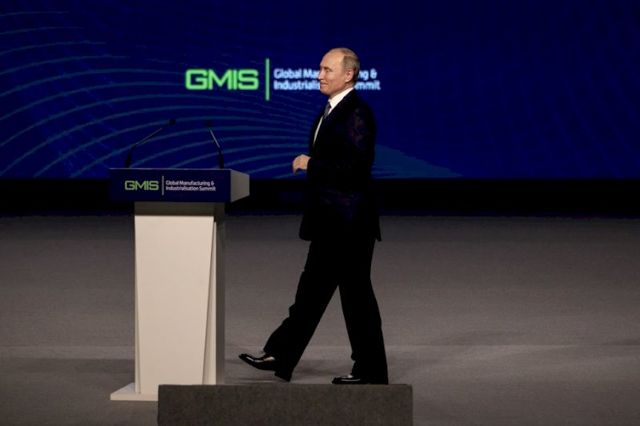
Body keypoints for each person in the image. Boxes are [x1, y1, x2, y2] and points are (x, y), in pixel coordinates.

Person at [239, 47, 388, 385]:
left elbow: (357, 168)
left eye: (326, 70)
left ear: (348, 75)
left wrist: (312, 164)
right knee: (312, 292)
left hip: (349, 225)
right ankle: (282, 354)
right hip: (331, 222)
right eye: (319, 69)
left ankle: (371, 371)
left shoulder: (357, 112)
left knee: (355, 299)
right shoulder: (331, 109)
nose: (319, 75)